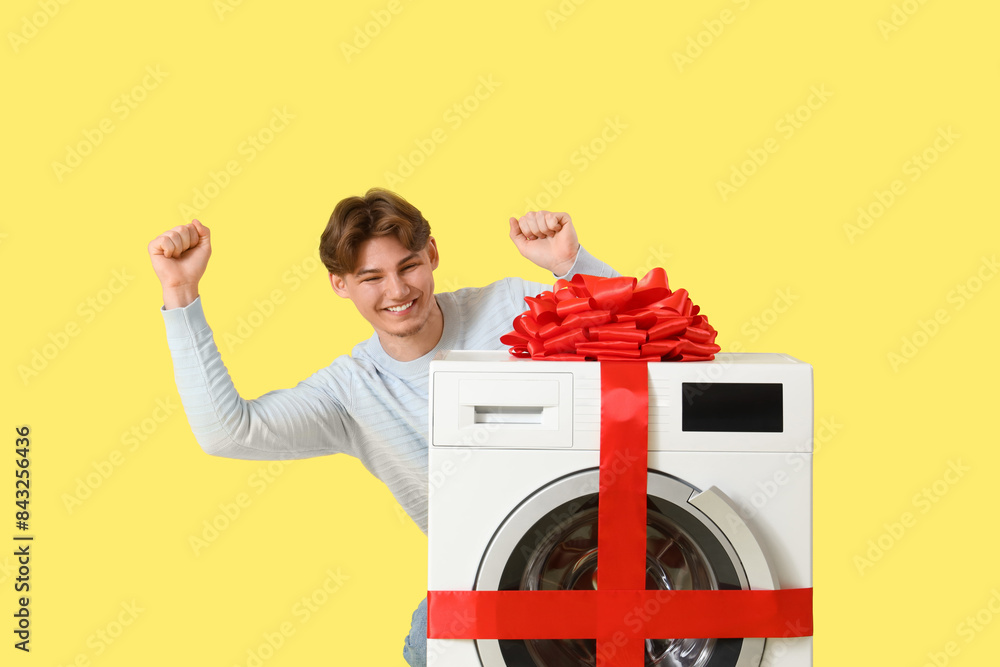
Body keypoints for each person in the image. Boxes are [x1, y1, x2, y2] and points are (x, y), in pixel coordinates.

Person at [147, 188, 620, 666]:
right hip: (496, 577)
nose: (397, 292)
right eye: (371, 277)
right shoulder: (350, 392)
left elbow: (658, 347)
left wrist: (571, 266)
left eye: (408, 266)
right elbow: (227, 433)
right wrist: (181, 294)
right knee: (426, 639)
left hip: (614, 544)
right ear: (340, 285)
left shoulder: (513, 305)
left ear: (432, 254)